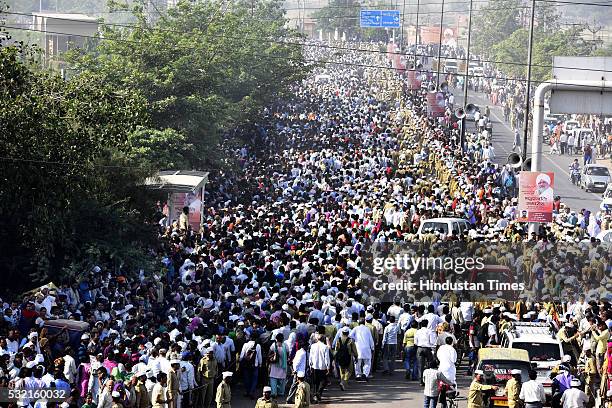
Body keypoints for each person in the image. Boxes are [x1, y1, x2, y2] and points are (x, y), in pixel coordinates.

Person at [309, 333, 331, 402]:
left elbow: (311, 356)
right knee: (323, 381)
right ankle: (318, 393)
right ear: (324, 340)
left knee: (316, 381)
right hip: (322, 366)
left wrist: (310, 365)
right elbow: (327, 358)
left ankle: (316, 394)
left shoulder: (313, 346)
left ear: (317, 339)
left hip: (314, 366)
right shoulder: (325, 347)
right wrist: (328, 366)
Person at [334, 327, 357, 391]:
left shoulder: (338, 340)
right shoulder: (350, 340)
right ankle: (344, 381)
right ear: (348, 333)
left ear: (342, 333)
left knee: (342, 370)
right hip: (348, 357)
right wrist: (356, 356)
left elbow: (336, 349)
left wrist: (335, 357)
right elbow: (354, 350)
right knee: (350, 370)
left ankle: (342, 382)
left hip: (340, 357)